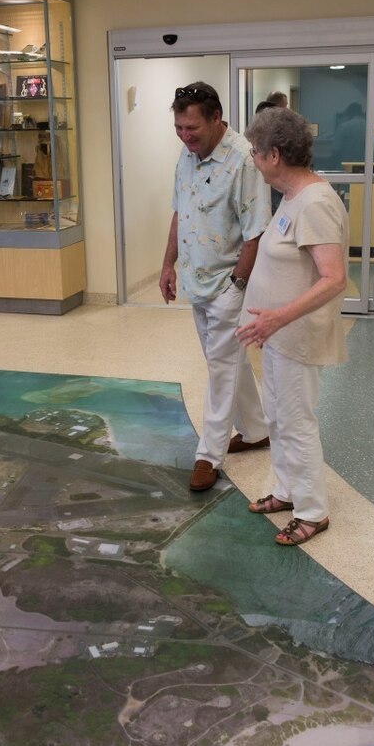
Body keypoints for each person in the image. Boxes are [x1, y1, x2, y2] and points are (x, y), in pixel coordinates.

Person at [236, 107, 349, 545]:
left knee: (296, 421)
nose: (252, 159)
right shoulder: (290, 196)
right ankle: (286, 490)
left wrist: (279, 316)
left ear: (275, 155)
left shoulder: (316, 202)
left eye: (255, 152)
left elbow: (334, 277)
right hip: (279, 336)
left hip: (298, 335)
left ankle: (313, 511)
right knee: (279, 417)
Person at [159, 81, 271, 492]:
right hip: (195, 281)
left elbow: (256, 232)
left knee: (221, 369)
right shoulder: (186, 156)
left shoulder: (244, 160)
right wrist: (168, 264)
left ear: (217, 119)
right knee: (225, 361)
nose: (186, 137)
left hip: (228, 284)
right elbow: (180, 211)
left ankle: (209, 454)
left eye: (194, 129)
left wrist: (237, 286)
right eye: (179, 128)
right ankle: (257, 429)